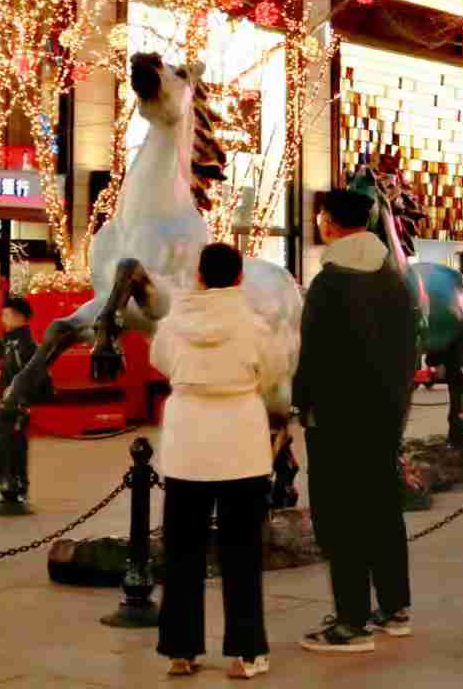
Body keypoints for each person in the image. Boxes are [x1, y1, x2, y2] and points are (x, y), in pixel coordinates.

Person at [152, 243, 284, 678]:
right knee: (242, 553)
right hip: (241, 447)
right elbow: (272, 371)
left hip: (186, 446)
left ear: (200, 276)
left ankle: (181, 649)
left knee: (182, 552)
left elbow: (161, 362)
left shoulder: (174, 323)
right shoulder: (254, 325)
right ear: (240, 278)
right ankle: (246, 653)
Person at [295, 189, 417, 655]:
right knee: (383, 509)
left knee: (341, 516)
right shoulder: (393, 280)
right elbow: (408, 353)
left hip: (336, 420)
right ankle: (394, 608)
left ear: (329, 223)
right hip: (385, 417)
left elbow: (313, 354)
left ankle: (351, 622)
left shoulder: (329, 283)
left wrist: (300, 404)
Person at [0, 295, 39, 511]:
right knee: (6, 448)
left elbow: (26, 376)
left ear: (19, 317)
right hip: (8, 405)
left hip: (15, 407)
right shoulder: (12, 342)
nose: (3, 318)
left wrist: (19, 401)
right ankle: (10, 490)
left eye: (6, 314)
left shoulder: (24, 344)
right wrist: (0, 352)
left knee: (9, 449)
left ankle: (14, 491)